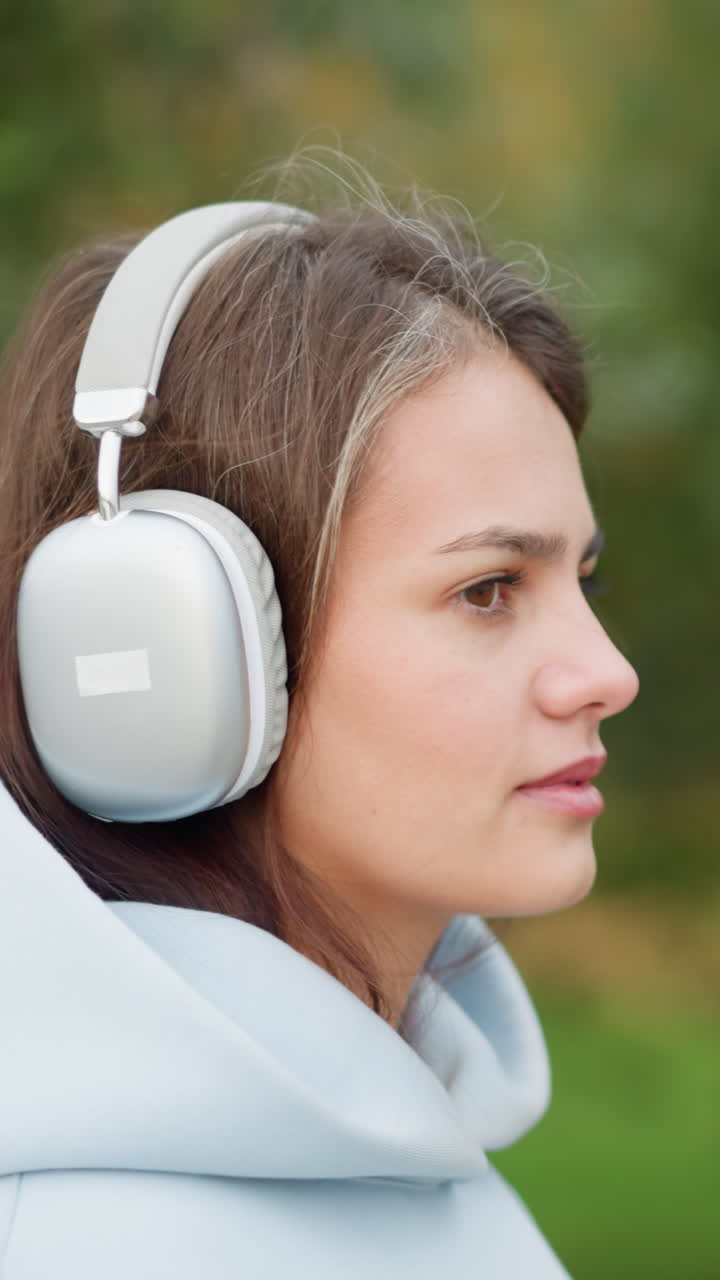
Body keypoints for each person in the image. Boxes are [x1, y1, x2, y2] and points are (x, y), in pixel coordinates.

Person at [0, 167, 639, 1279]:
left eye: (583, 577)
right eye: (489, 587)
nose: (605, 672)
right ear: (171, 650)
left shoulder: (399, 1138)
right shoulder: (101, 1243)